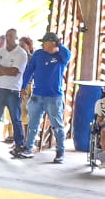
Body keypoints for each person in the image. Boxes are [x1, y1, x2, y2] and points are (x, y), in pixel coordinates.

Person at [19, 31, 71, 162]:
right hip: (37, 95)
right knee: (33, 123)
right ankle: (28, 148)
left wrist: (59, 44)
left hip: (54, 97)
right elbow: (29, 71)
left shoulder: (61, 56)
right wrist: (23, 86)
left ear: (53, 43)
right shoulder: (38, 54)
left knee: (57, 126)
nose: (43, 45)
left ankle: (60, 152)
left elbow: (68, 55)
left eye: (46, 43)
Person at [0, 26, 29, 157]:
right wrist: (4, 70)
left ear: (15, 38)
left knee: (16, 118)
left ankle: (19, 145)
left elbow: (14, 72)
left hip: (13, 90)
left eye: (11, 36)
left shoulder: (21, 53)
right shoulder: (0, 52)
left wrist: (0, 69)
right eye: (7, 36)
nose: (8, 38)